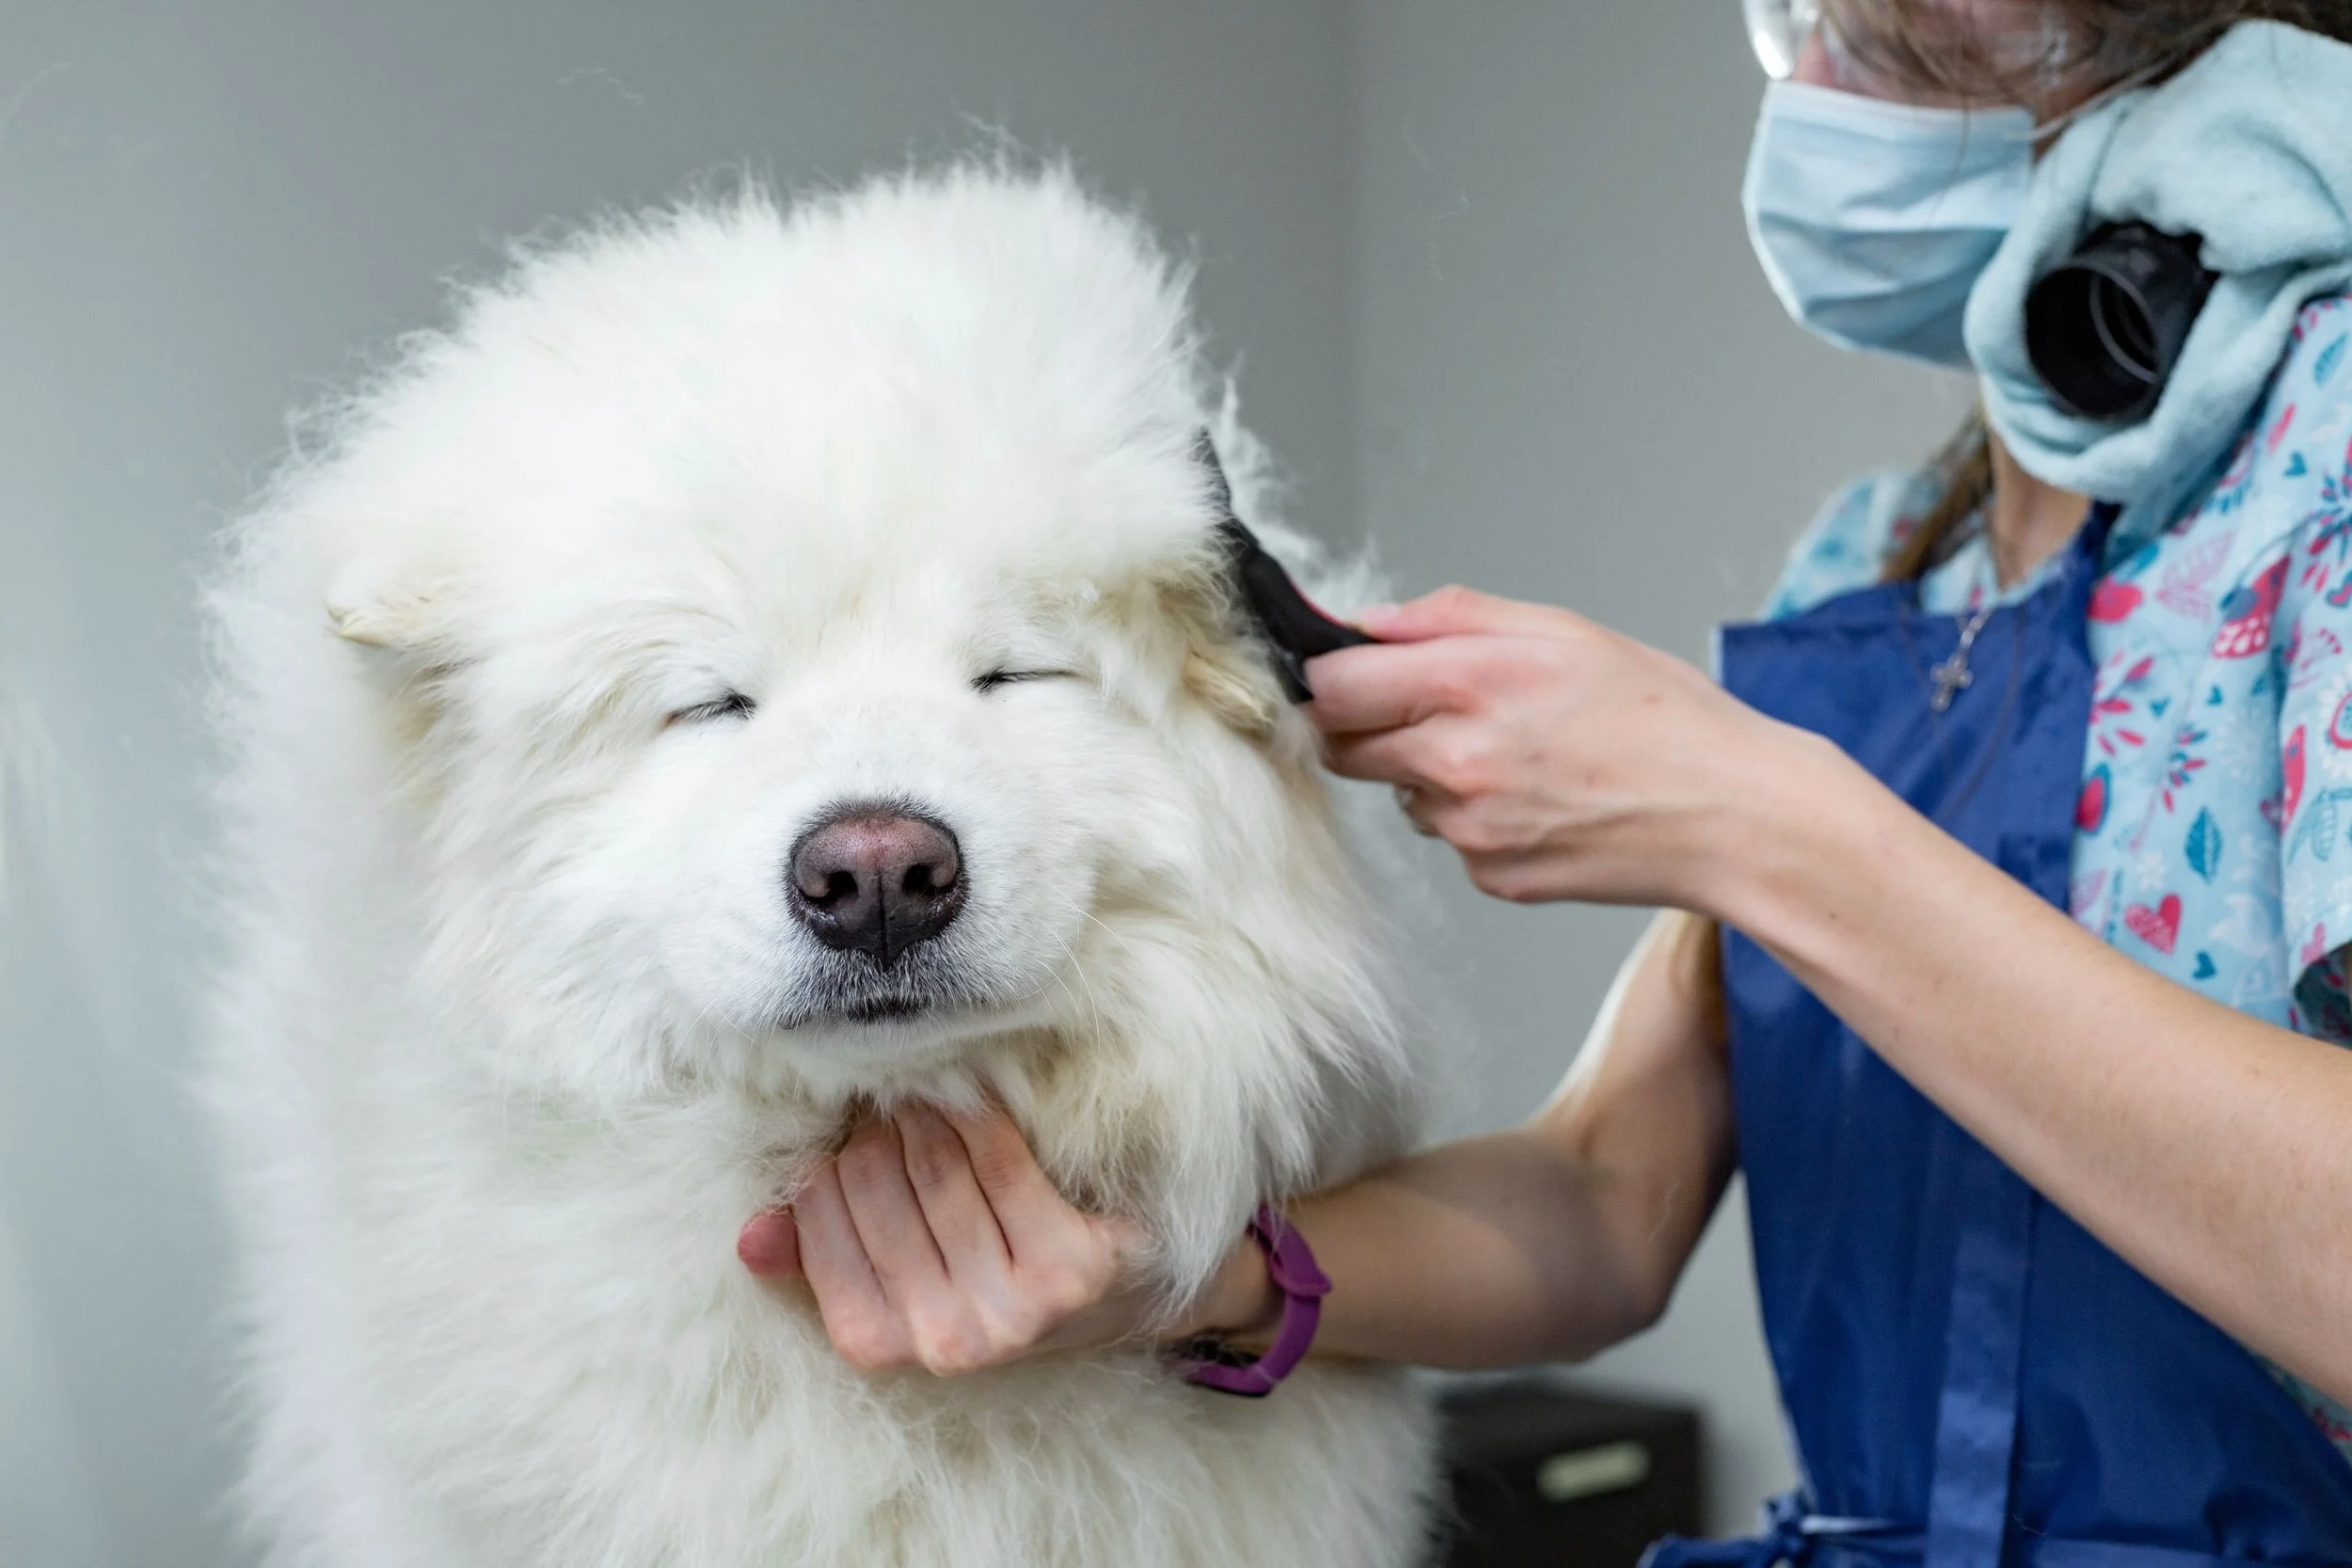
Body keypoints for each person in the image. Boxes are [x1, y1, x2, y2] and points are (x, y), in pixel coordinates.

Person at [737, 3, 2352, 1559]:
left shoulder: (2312, 503)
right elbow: (1603, 1201)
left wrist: (1750, 814)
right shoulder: (1876, 574)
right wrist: (1183, 1274)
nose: (1840, 46)